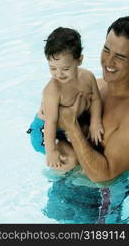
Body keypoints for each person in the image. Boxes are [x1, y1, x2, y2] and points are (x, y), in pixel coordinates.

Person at [57, 16, 129, 182]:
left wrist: (71, 127)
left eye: (120, 56)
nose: (108, 61)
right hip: (63, 185)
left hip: (97, 201)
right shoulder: (94, 86)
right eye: (106, 49)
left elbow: (104, 176)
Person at [27, 27, 104, 171]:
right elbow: (50, 122)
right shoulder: (52, 91)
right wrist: (51, 152)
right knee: (70, 160)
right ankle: (61, 180)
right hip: (45, 132)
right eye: (53, 68)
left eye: (65, 68)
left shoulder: (88, 77)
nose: (59, 74)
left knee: (94, 143)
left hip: (67, 127)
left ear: (79, 60)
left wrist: (95, 123)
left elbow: (96, 100)